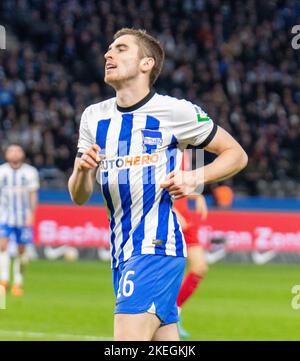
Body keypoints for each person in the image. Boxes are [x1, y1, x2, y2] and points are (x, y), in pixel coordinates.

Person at [68, 28, 248, 341]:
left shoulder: (175, 111)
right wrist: (83, 172)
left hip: (156, 249)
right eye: (109, 49)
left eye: (121, 49)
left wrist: (195, 176)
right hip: (121, 252)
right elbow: (79, 196)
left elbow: (236, 154)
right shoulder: (93, 118)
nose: (108, 54)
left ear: (146, 64)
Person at [0, 144, 39, 296]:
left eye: (18, 151)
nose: (15, 153)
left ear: (22, 154)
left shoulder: (30, 172)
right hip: (4, 216)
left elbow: (33, 195)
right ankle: (3, 280)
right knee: (2, 246)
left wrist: (32, 214)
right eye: (11, 151)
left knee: (21, 250)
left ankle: (18, 282)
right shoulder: (2, 171)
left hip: (23, 217)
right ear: (6, 154)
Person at [174, 194, 208, 338]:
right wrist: (171, 209)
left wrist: (197, 196)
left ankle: (174, 312)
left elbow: (181, 183)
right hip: (164, 216)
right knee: (168, 270)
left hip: (184, 219)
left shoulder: (186, 169)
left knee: (199, 267)